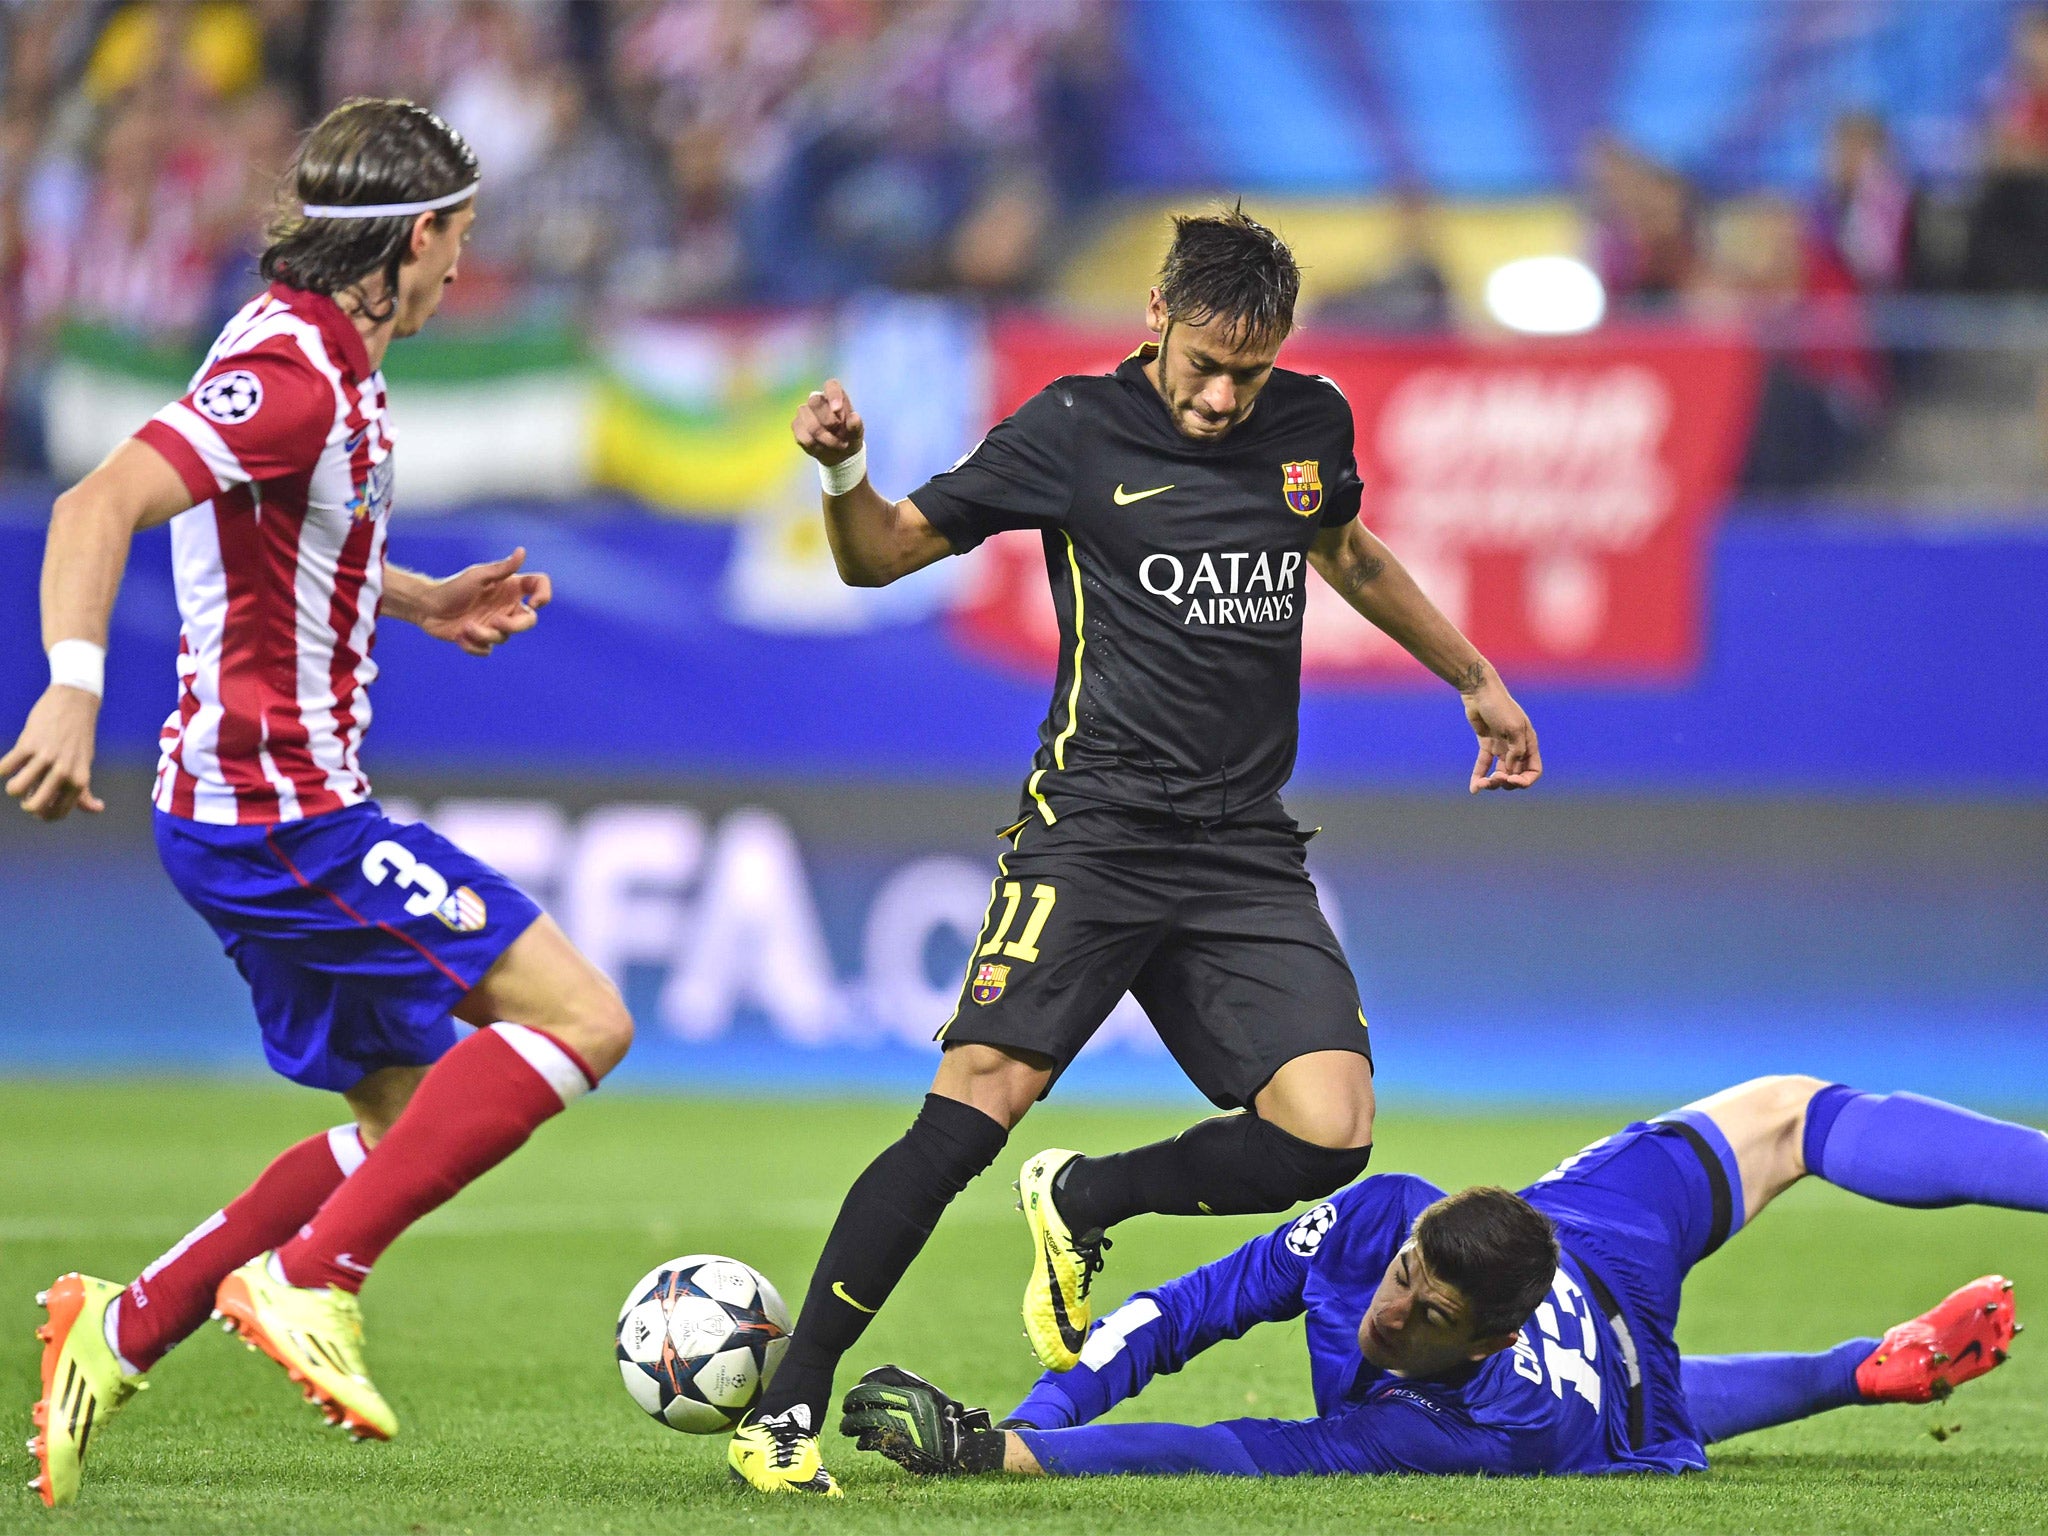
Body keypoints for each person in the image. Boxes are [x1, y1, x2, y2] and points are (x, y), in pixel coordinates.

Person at [733, 206, 1541, 1495]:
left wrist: (1475, 679)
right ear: (1154, 316)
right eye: (1205, 365)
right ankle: (785, 1407)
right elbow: (878, 558)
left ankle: (1087, 1201)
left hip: (1239, 851)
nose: (1224, 398)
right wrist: (841, 472)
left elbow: (1345, 552)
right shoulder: (1069, 430)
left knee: (1329, 1134)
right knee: (975, 1101)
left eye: (1250, 372)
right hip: (1094, 835)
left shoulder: (1310, 424)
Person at [7, 98, 634, 1509]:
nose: (465, 266)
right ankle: (308, 1281)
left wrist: (414, 598)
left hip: (246, 810)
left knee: (412, 1121)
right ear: (414, 236)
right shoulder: (297, 371)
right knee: (585, 1017)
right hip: (281, 815)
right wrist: (67, 687)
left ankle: (120, 1324)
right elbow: (96, 504)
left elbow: (284, 530)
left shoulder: (311, 354)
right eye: (460, 236)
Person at [840, 1074, 2035, 1480]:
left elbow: (1229, 1447)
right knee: (1790, 1113)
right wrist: (1038, 1407)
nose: (1389, 1308)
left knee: (1633, 1410)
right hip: (1592, 1230)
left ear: (1477, 1348)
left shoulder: (1465, 1429)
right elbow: (1188, 1310)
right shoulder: (1379, 1222)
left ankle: (1847, 1372)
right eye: (1406, 1274)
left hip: (1600, 1385)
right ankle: (1860, 1368)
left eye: (1426, 1316)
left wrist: (1002, 1454)